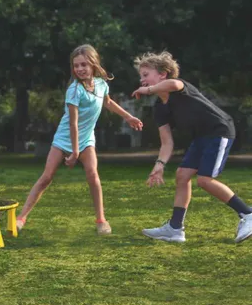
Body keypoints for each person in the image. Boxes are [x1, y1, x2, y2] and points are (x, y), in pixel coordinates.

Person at [16, 44, 143, 235]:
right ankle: (21, 218)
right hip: (65, 138)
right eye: (76, 66)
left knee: (93, 175)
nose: (80, 69)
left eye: (84, 64)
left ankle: (101, 220)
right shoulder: (74, 90)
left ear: (93, 64)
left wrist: (128, 117)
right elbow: (72, 124)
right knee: (47, 177)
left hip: (86, 139)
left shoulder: (101, 84)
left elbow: (107, 102)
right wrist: (74, 151)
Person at [132, 51, 252, 243]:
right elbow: (167, 142)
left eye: (146, 75)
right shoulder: (159, 108)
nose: (142, 80)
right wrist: (160, 164)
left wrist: (147, 90)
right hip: (201, 137)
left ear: (163, 74)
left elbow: (173, 83)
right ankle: (175, 228)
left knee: (204, 180)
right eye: (141, 76)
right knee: (182, 175)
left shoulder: (179, 87)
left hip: (219, 130)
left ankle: (247, 214)